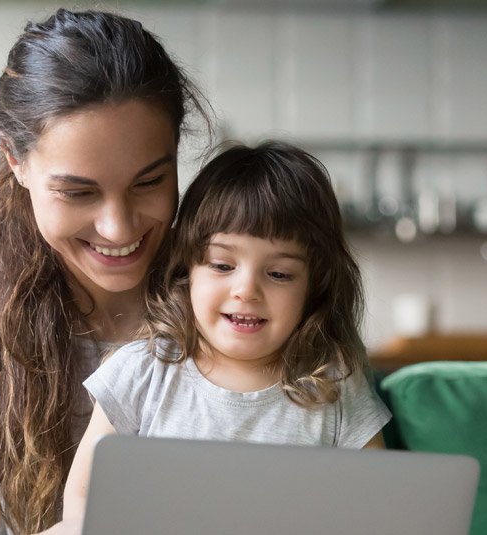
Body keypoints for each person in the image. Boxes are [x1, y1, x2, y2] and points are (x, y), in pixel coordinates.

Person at [0, 9, 206, 535]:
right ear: (14, 159)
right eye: (78, 192)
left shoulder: (237, 315)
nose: (118, 227)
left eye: (149, 182)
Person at [60, 141, 393, 522]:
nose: (247, 290)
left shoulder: (334, 388)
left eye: (279, 274)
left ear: (313, 288)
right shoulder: (142, 373)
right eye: (222, 265)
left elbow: (376, 512)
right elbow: (84, 501)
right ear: (188, 270)